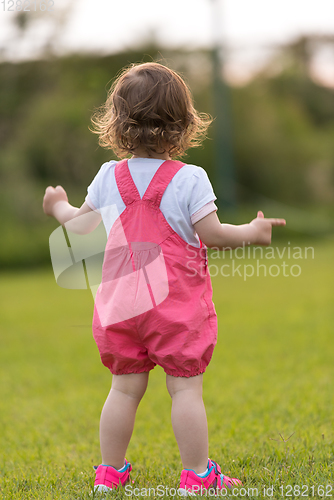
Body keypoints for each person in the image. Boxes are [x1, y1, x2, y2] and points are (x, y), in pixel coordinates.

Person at [43, 62, 286, 496]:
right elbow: (212, 236)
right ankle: (195, 473)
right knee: (185, 389)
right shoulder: (189, 179)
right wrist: (253, 231)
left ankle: (109, 473)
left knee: (123, 389)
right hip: (173, 307)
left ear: (117, 123)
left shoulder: (107, 176)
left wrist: (57, 206)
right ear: (184, 123)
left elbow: (78, 226)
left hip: (120, 307)